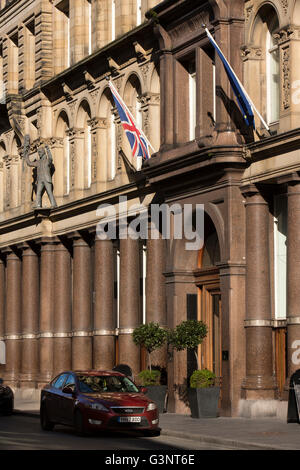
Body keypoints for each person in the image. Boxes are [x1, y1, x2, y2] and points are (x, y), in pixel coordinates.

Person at [23, 134, 57, 208]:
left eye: (41, 152)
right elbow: (29, 163)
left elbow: (51, 159)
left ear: (43, 152)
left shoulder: (47, 161)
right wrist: (26, 155)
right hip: (40, 180)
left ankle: (53, 204)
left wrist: (48, 150)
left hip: (47, 179)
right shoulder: (38, 162)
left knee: (49, 192)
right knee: (38, 193)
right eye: (39, 153)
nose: (40, 153)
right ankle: (38, 205)